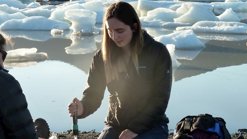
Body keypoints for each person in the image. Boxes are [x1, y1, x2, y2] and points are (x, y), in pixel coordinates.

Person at [68, 1, 172, 139]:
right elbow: (94, 93)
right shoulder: (102, 57)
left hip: (151, 125)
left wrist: (135, 129)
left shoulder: (157, 52)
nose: (114, 37)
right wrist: (82, 108)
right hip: (115, 124)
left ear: (134, 27)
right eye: (109, 31)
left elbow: (159, 99)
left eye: (120, 31)